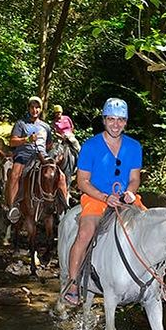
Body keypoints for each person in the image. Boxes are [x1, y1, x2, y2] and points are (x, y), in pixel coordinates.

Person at [63, 98, 146, 305]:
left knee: (154, 228)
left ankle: (157, 281)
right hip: (95, 198)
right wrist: (104, 197)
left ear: (126, 122)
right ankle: (73, 284)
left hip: (126, 200)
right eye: (111, 119)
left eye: (120, 120)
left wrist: (130, 192)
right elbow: (82, 182)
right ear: (104, 120)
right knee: (84, 233)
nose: (116, 124)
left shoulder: (134, 147)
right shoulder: (90, 146)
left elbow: (135, 178)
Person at [5, 96, 53, 223]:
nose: (34, 110)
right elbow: (12, 141)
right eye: (32, 107)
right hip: (24, 155)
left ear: (41, 110)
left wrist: (45, 153)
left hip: (41, 155)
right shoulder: (21, 123)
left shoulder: (46, 127)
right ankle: (12, 207)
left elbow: (49, 145)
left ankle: (63, 206)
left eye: (37, 107)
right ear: (28, 108)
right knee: (15, 175)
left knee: (60, 176)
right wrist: (26, 140)